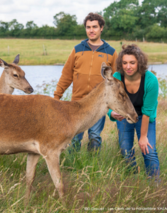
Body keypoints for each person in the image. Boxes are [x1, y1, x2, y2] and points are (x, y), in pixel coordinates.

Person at [54, 12, 117, 152]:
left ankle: (93, 169)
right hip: (77, 103)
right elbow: (66, 75)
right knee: (74, 138)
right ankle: (72, 168)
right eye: (88, 27)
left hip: (99, 104)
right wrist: (57, 96)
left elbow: (116, 81)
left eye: (94, 27)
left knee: (95, 137)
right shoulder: (77, 50)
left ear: (101, 28)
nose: (91, 30)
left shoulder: (111, 52)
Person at [108, 44, 160, 178]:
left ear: (139, 63)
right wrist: (112, 113)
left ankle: (154, 185)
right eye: (124, 63)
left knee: (149, 150)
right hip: (125, 116)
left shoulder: (150, 80)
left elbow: (148, 111)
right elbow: (109, 102)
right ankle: (133, 180)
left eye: (132, 63)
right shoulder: (116, 77)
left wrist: (143, 137)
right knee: (126, 151)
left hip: (144, 116)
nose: (128, 67)